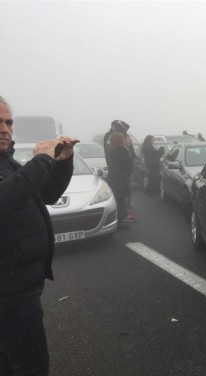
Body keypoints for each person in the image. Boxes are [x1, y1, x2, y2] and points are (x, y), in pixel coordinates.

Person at [0, 96, 78, 375]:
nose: (5, 129)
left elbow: (45, 194)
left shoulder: (6, 162)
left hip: (19, 285)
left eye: (8, 122)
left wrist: (61, 163)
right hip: (9, 293)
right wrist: (42, 158)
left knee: (10, 362)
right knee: (31, 366)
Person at [107, 132, 136, 224]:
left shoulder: (112, 149)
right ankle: (120, 221)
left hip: (113, 178)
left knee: (117, 198)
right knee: (120, 198)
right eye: (123, 138)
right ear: (120, 140)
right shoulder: (121, 150)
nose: (125, 139)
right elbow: (128, 166)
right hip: (119, 178)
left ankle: (121, 218)